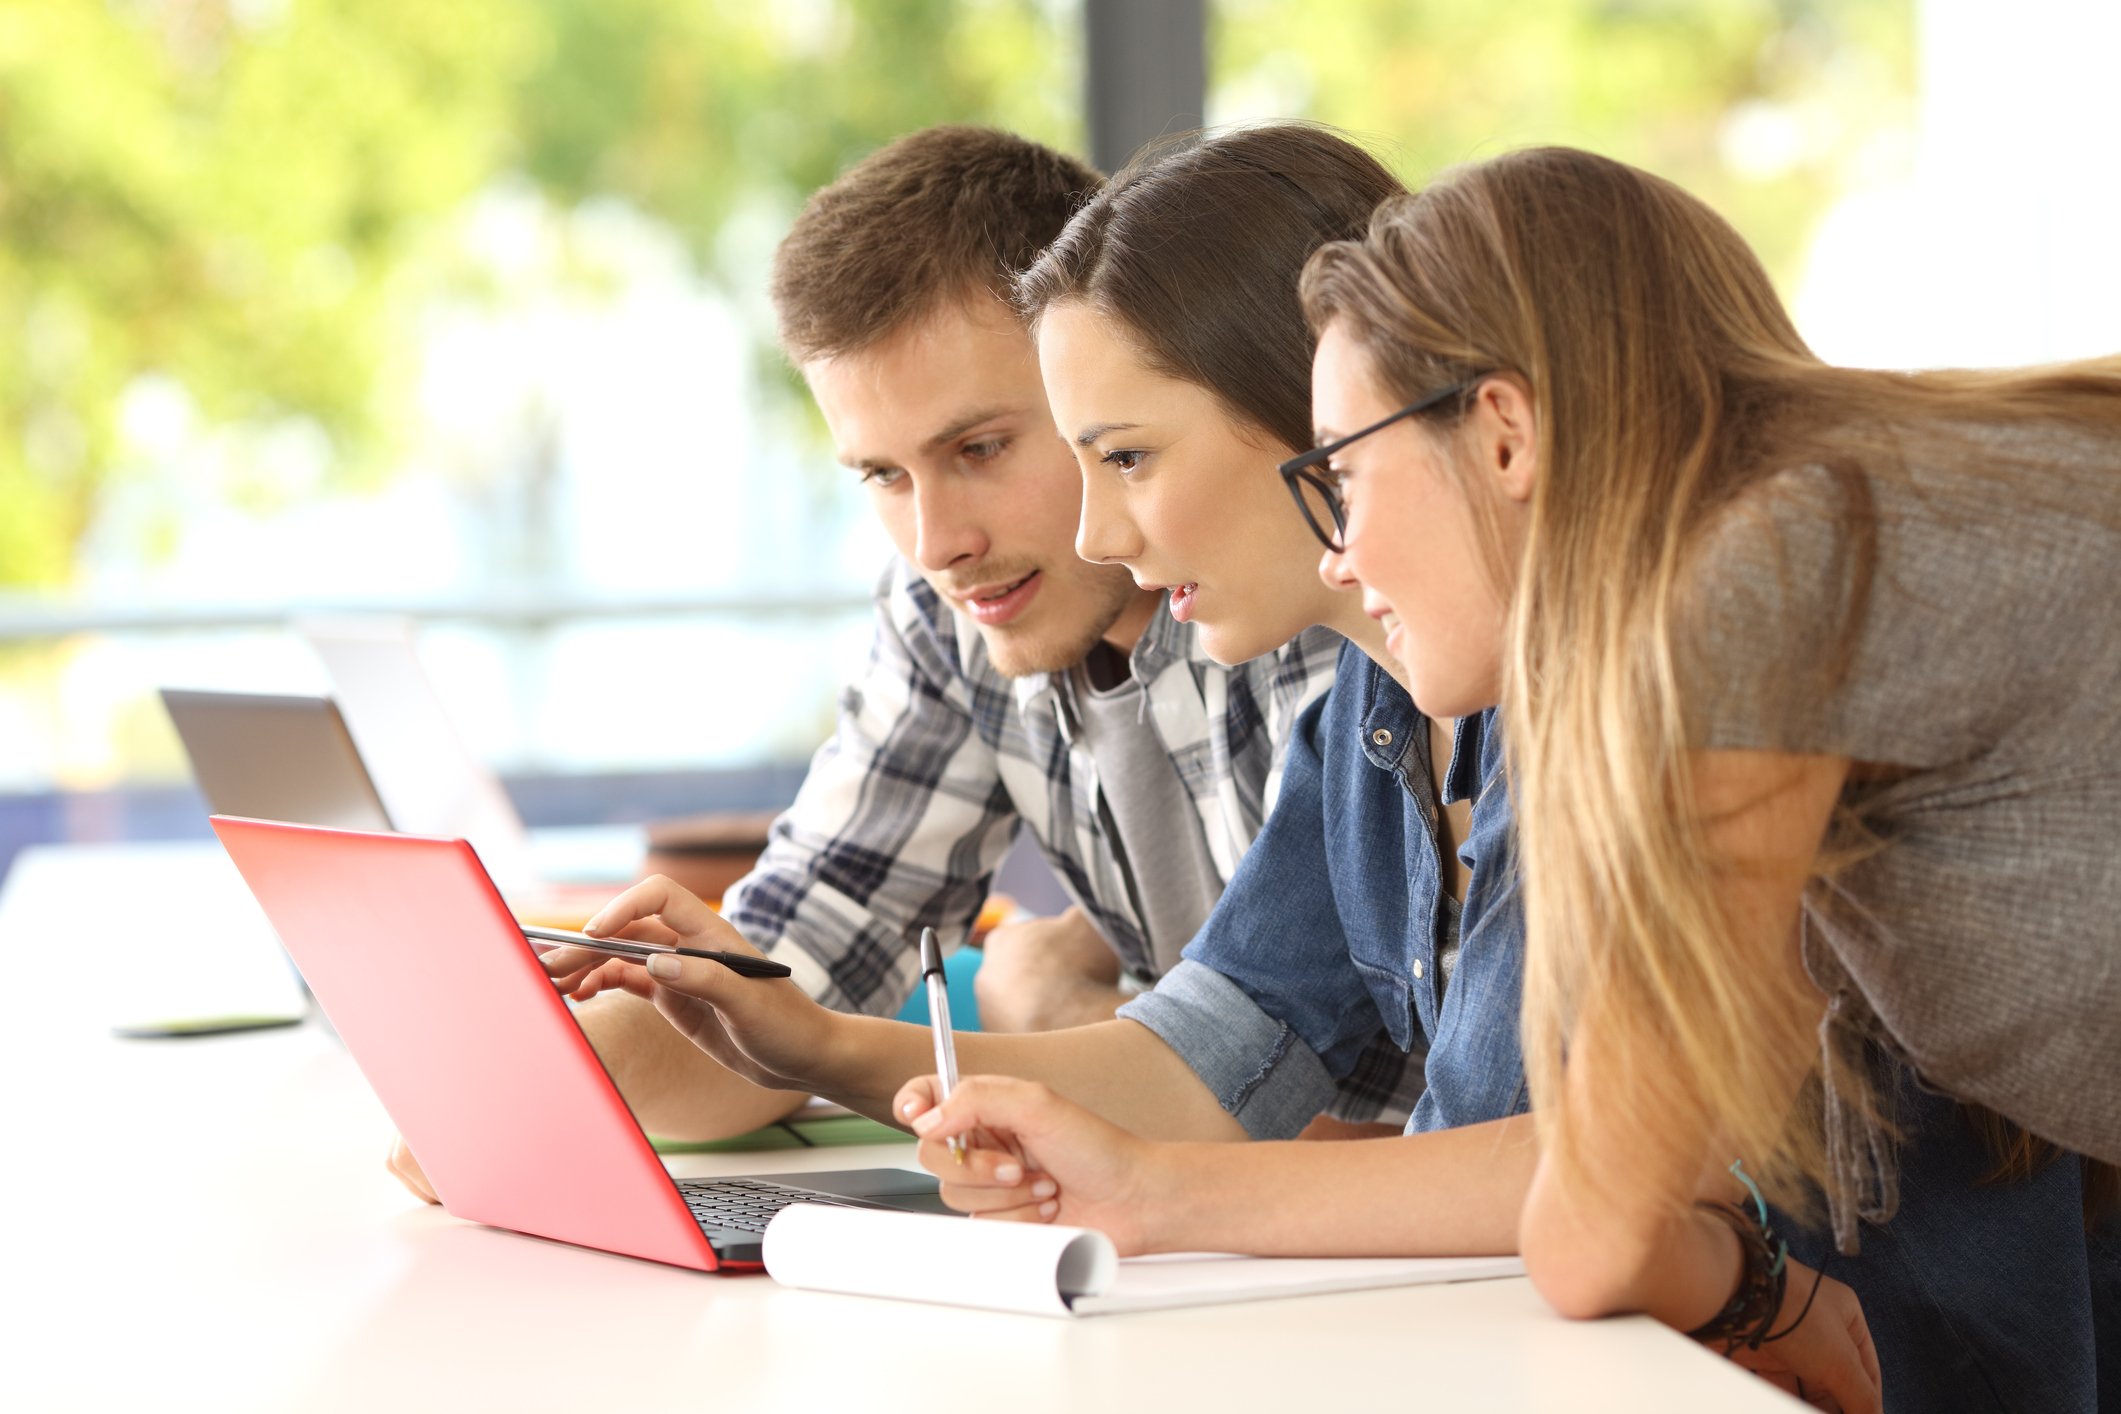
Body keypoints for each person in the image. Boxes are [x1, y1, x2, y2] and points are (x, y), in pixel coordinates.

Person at [545, 128, 2119, 1411]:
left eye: (1339, 471)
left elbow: (1593, 1213)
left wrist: (1719, 1261)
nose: (1341, 544)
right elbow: (1579, 1175)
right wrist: (1135, 1176)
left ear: (1498, 432)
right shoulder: (1433, 705)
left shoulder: (1732, 596)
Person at [382, 127, 1342, 1198]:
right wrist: (530, 1079)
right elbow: (789, 978)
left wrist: (1066, 1018)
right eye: (882, 476)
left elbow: (1367, 1091)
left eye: (979, 450)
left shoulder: (1314, 596)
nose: (938, 541)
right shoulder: (957, 612)